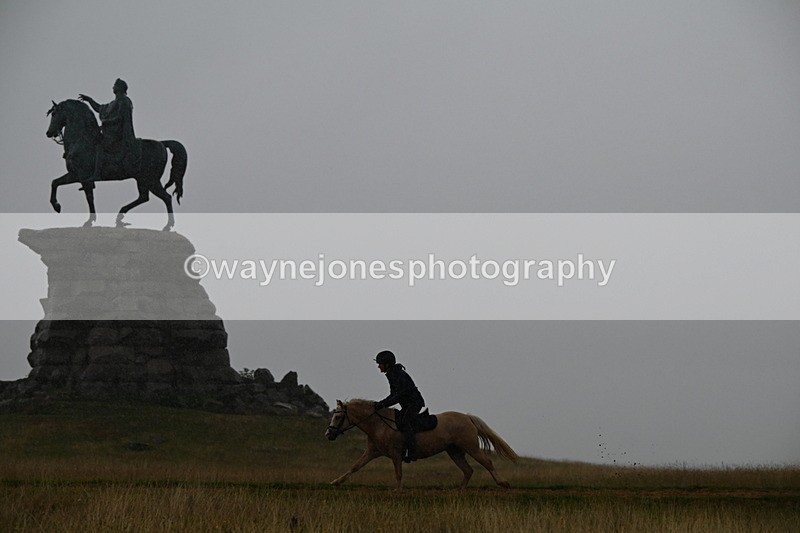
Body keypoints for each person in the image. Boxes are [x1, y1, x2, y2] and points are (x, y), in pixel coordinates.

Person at [78, 78, 139, 189]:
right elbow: (99, 108)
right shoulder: (113, 103)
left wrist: (106, 122)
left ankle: (97, 174)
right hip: (110, 133)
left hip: (119, 135)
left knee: (99, 146)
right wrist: (90, 100)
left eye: (115, 85)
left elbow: (120, 118)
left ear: (120, 88)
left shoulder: (124, 101)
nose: (113, 87)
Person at [373, 350, 425, 463]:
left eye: (380, 363)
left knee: (405, 422)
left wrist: (384, 404)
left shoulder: (398, 374)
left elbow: (399, 395)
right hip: (407, 404)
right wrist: (382, 403)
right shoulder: (392, 374)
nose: (378, 366)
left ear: (387, 364)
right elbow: (393, 395)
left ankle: (412, 452)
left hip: (414, 403)